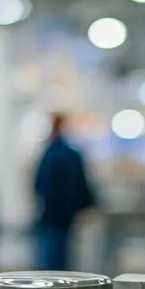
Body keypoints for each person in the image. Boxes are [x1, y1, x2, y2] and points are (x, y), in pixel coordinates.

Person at [33, 113, 96, 271]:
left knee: (51, 258)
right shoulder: (70, 154)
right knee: (61, 258)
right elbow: (80, 184)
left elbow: (39, 185)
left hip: (51, 214)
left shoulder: (50, 154)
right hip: (65, 215)